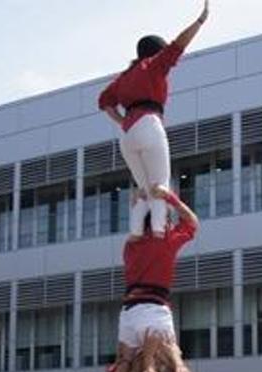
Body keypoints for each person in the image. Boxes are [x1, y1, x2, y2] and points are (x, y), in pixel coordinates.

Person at [98, 0, 209, 239]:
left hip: (127, 134)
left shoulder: (124, 77)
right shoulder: (154, 65)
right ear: (156, 51)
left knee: (146, 191)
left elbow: (104, 101)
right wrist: (200, 21)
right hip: (149, 123)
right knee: (160, 186)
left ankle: (137, 233)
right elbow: (179, 44)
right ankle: (159, 233)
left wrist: (121, 121)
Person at [104, 186, 199, 372]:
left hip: (128, 313)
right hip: (154, 311)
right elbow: (193, 223)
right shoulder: (166, 241)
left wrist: (140, 202)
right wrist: (170, 198)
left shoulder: (130, 245)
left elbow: (137, 226)